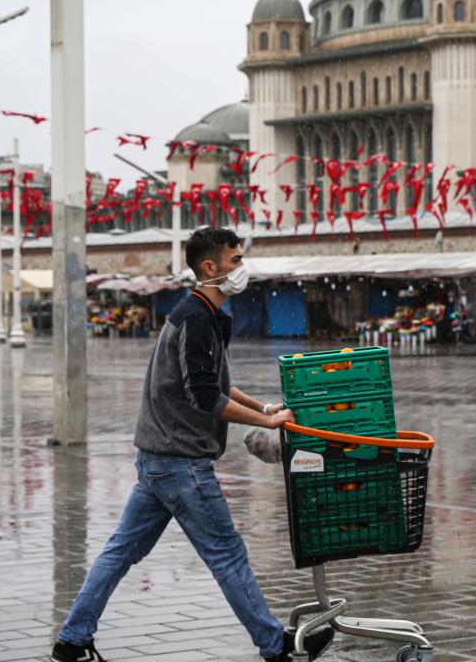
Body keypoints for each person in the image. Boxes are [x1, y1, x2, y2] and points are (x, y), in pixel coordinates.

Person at [50, 227, 334, 662]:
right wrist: (265, 421)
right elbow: (207, 397)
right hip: (181, 463)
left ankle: (72, 642)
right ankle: (275, 646)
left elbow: (217, 381)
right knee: (228, 555)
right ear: (210, 267)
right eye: (235, 260)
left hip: (158, 460)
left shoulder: (205, 314)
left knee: (120, 552)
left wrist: (264, 406)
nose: (242, 268)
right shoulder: (197, 317)